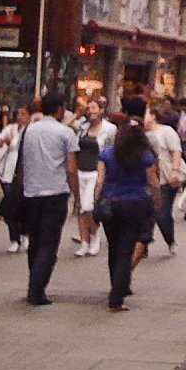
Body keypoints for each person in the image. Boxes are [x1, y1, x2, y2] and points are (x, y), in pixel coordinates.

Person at [18, 90, 79, 306]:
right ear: (60, 109)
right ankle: (37, 289)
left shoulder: (28, 131)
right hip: (56, 192)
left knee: (35, 240)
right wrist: (77, 196)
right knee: (49, 243)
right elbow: (71, 168)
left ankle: (33, 281)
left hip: (31, 192)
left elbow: (23, 162)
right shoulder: (66, 133)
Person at [94, 119, 160, 312]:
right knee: (126, 249)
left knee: (113, 247)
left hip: (110, 203)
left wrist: (96, 202)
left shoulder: (106, 154)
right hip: (136, 203)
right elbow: (153, 182)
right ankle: (117, 295)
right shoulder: (145, 157)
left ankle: (116, 284)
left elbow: (100, 181)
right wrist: (157, 200)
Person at [72, 100, 115, 258]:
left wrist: (105, 176)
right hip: (80, 171)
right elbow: (66, 127)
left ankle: (95, 236)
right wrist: (78, 114)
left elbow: (110, 152)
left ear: (102, 110)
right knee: (81, 207)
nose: (90, 111)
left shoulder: (110, 129)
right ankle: (84, 241)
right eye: (88, 108)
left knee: (89, 206)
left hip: (96, 172)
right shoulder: (82, 126)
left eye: (94, 108)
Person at [142, 103, 184, 257]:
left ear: (153, 115)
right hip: (145, 179)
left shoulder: (167, 131)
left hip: (165, 179)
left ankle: (170, 240)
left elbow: (176, 151)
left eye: (146, 113)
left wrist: (175, 171)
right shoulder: (140, 133)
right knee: (144, 214)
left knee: (162, 213)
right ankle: (143, 245)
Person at [0, 105, 31, 253]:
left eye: (23, 114)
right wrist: (4, 143)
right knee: (10, 207)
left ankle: (26, 234)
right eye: (18, 114)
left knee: (25, 206)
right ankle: (14, 238)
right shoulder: (10, 129)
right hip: (8, 173)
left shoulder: (31, 131)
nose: (20, 117)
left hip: (24, 174)